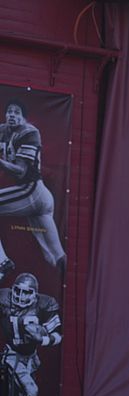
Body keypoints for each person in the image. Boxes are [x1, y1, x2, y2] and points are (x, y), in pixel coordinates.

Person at [0, 100, 66, 277]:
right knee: (54, 256)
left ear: (23, 118)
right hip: (37, 197)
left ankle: (2, 262)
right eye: (9, 111)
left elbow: (21, 171)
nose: (12, 115)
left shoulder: (29, 133)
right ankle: (69, 278)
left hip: (31, 191)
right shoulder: (4, 130)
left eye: (17, 112)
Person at [0, 272, 61, 396]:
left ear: (35, 293)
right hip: (12, 353)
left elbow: (57, 335)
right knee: (31, 390)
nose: (20, 296)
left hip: (31, 356)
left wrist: (41, 339)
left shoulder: (44, 304)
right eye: (18, 291)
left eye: (26, 292)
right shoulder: (3, 298)